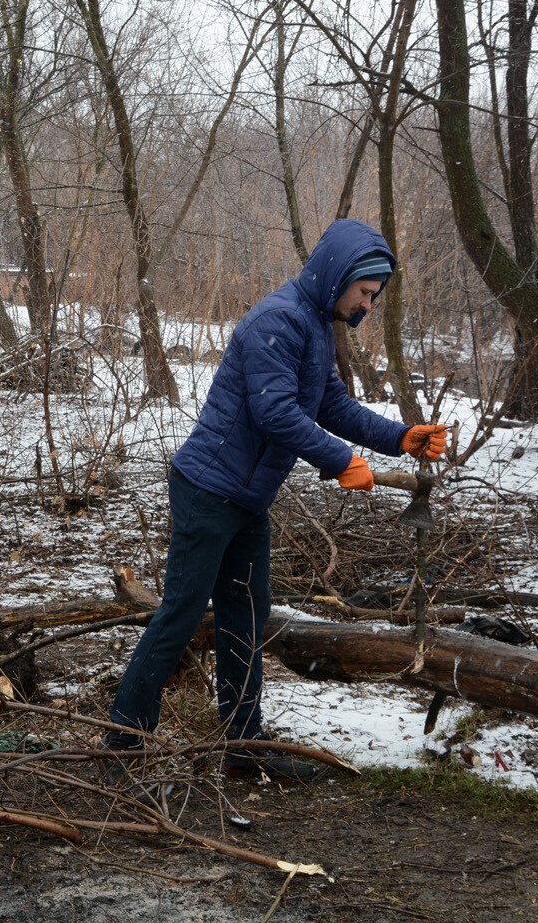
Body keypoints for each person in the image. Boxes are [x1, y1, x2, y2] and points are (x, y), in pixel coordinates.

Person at [102, 219, 448, 792]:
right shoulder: (278, 320)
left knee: (246, 615)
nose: (367, 305)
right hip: (208, 491)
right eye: (365, 293)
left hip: (246, 500)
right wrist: (340, 461)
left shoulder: (315, 324)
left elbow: (331, 405)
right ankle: (121, 743)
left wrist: (400, 436)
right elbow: (276, 415)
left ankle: (243, 747)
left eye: (374, 297)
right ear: (339, 276)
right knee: (181, 615)